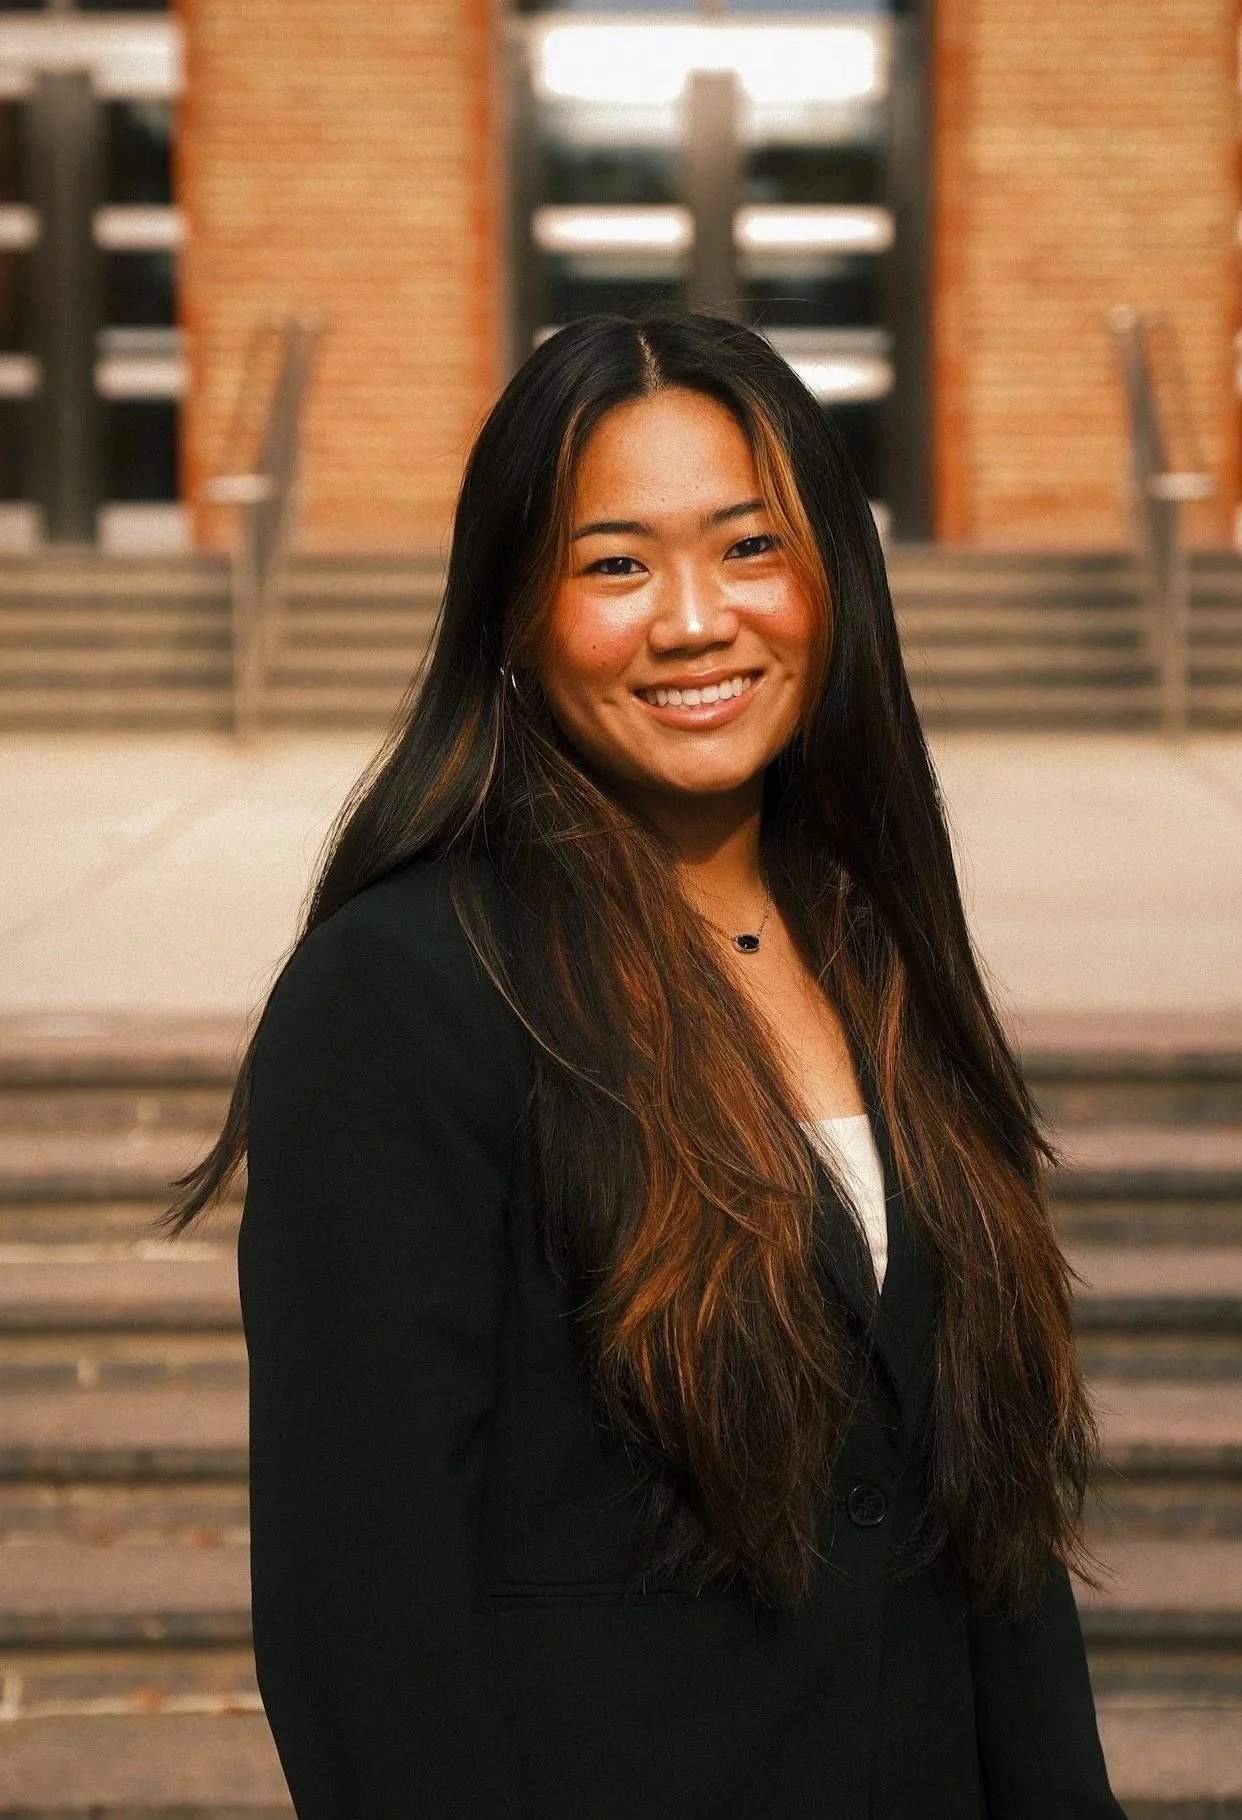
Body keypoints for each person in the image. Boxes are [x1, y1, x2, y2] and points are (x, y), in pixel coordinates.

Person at [171, 311, 1126, 1819]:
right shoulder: (405, 990)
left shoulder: (878, 952)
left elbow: (990, 1532)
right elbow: (364, 1605)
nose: (696, 619)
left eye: (749, 547)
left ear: (835, 583)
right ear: (514, 615)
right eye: (615, 564)